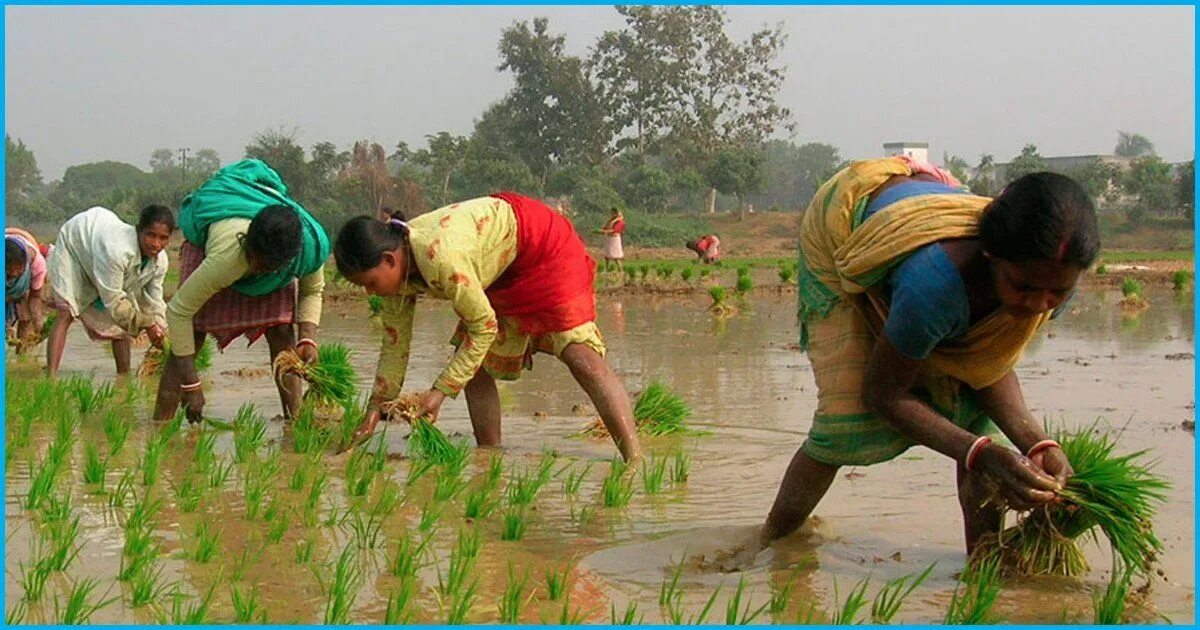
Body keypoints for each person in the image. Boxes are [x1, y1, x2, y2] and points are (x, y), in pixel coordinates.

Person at [755, 157, 1097, 557]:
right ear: (992, 257)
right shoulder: (935, 284)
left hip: (923, 207)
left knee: (975, 417)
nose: (1039, 303)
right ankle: (770, 546)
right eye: (1022, 286)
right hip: (844, 221)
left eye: (1055, 293)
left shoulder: (1051, 277)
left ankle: (984, 562)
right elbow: (883, 394)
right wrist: (979, 453)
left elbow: (986, 364)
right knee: (843, 422)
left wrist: (1041, 447)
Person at [334, 193, 643, 462]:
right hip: (501, 265)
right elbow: (394, 345)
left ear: (389, 259)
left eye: (370, 283)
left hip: (543, 247)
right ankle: (489, 455)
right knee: (473, 365)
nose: (370, 293)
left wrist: (440, 392)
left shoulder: (440, 258)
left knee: (580, 356)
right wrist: (376, 407)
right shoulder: (397, 278)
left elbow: (484, 328)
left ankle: (634, 458)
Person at [153, 159, 330, 423]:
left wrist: (308, 338)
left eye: (264, 266)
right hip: (216, 248)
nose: (255, 269)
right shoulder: (228, 255)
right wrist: (192, 384)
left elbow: (312, 290)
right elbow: (178, 312)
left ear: (286, 263)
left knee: (282, 332)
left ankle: (295, 424)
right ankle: (160, 427)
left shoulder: (307, 248)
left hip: (271, 261)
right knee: (194, 332)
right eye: (253, 259)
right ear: (246, 242)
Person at [45, 205, 173, 377]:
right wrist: (148, 324)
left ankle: (124, 377)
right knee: (66, 311)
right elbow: (114, 302)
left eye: (163, 238)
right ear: (138, 231)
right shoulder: (117, 251)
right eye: (151, 235)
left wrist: (164, 332)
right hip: (76, 243)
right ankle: (51, 376)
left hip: (99, 245)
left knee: (122, 325)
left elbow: (155, 300)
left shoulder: (160, 262)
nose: (156, 244)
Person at [5, 227, 47, 349]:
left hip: (21, 292)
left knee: (25, 317)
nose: (14, 274)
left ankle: (21, 358)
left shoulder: (37, 264)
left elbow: (35, 297)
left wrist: (38, 320)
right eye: (8, 270)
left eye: (19, 270)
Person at [597, 207, 626, 272]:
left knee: (616, 257)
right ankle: (607, 270)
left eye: (613, 213)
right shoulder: (610, 221)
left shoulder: (620, 222)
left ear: (616, 213)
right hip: (609, 239)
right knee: (607, 256)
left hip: (614, 240)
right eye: (611, 213)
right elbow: (605, 228)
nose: (612, 214)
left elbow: (616, 230)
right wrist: (601, 230)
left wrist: (606, 231)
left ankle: (620, 270)